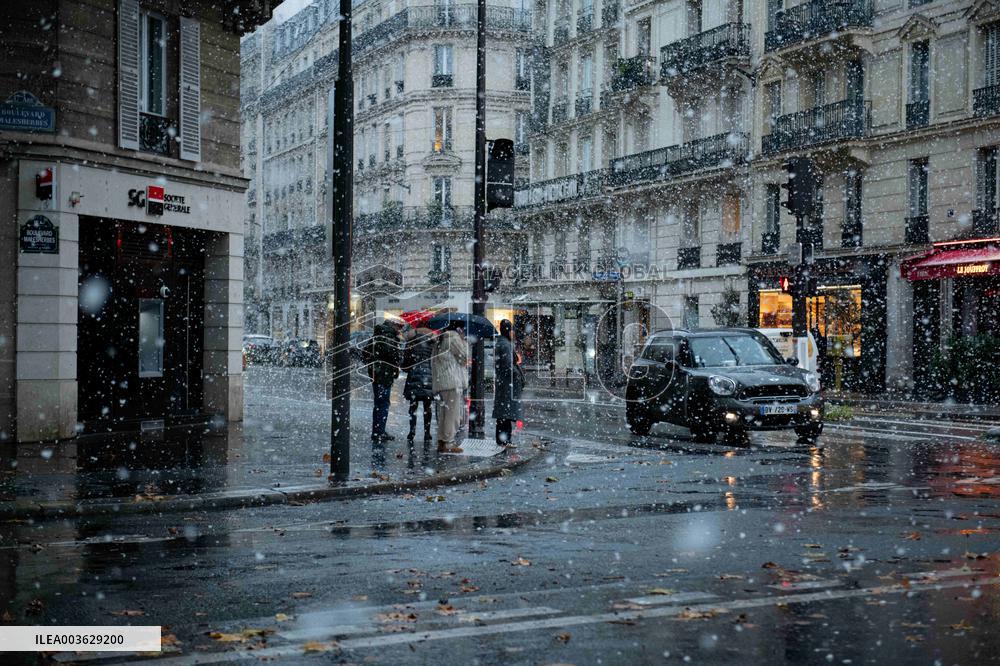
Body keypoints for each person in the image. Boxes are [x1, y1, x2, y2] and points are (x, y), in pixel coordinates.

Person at [431, 321, 467, 454]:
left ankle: (442, 441)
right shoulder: (454, 338)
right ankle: (448, 443)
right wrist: (464, 342)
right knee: (453, 414)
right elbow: (465, 357)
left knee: (444, 414)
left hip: (442, 382)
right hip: (453, 381)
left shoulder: (441, 339)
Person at [363, 321, 401, 442]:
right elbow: (395, 356)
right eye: (398, 326)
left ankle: (378, 431)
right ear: (392, 327)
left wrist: (372, 364)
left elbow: (364, 353)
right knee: (383, 403)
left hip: (376, 374)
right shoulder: (388, 338)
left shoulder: (376, 336)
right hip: (384, 375)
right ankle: (379, 432)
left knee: (379, 404)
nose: (399, 329)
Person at [492, 319, 523, 447]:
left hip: (504, 384)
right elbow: (507, 366)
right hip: (507, 385)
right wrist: (517, 375)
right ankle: (505, 440)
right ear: (508, 331)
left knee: (503, 413)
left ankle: (502, 439)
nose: (513, 333)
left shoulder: (502, 343)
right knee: (506, 413)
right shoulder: (505, 345)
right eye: (511, 330)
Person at [402, 327, 435, 445]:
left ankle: (412, 432)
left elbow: (405, 362)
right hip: (428, 377)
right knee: (427, 407)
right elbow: (434, 360)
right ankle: (427, 433)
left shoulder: (411, 343)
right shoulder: (432, 342)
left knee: (413, 407)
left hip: (414, 376)